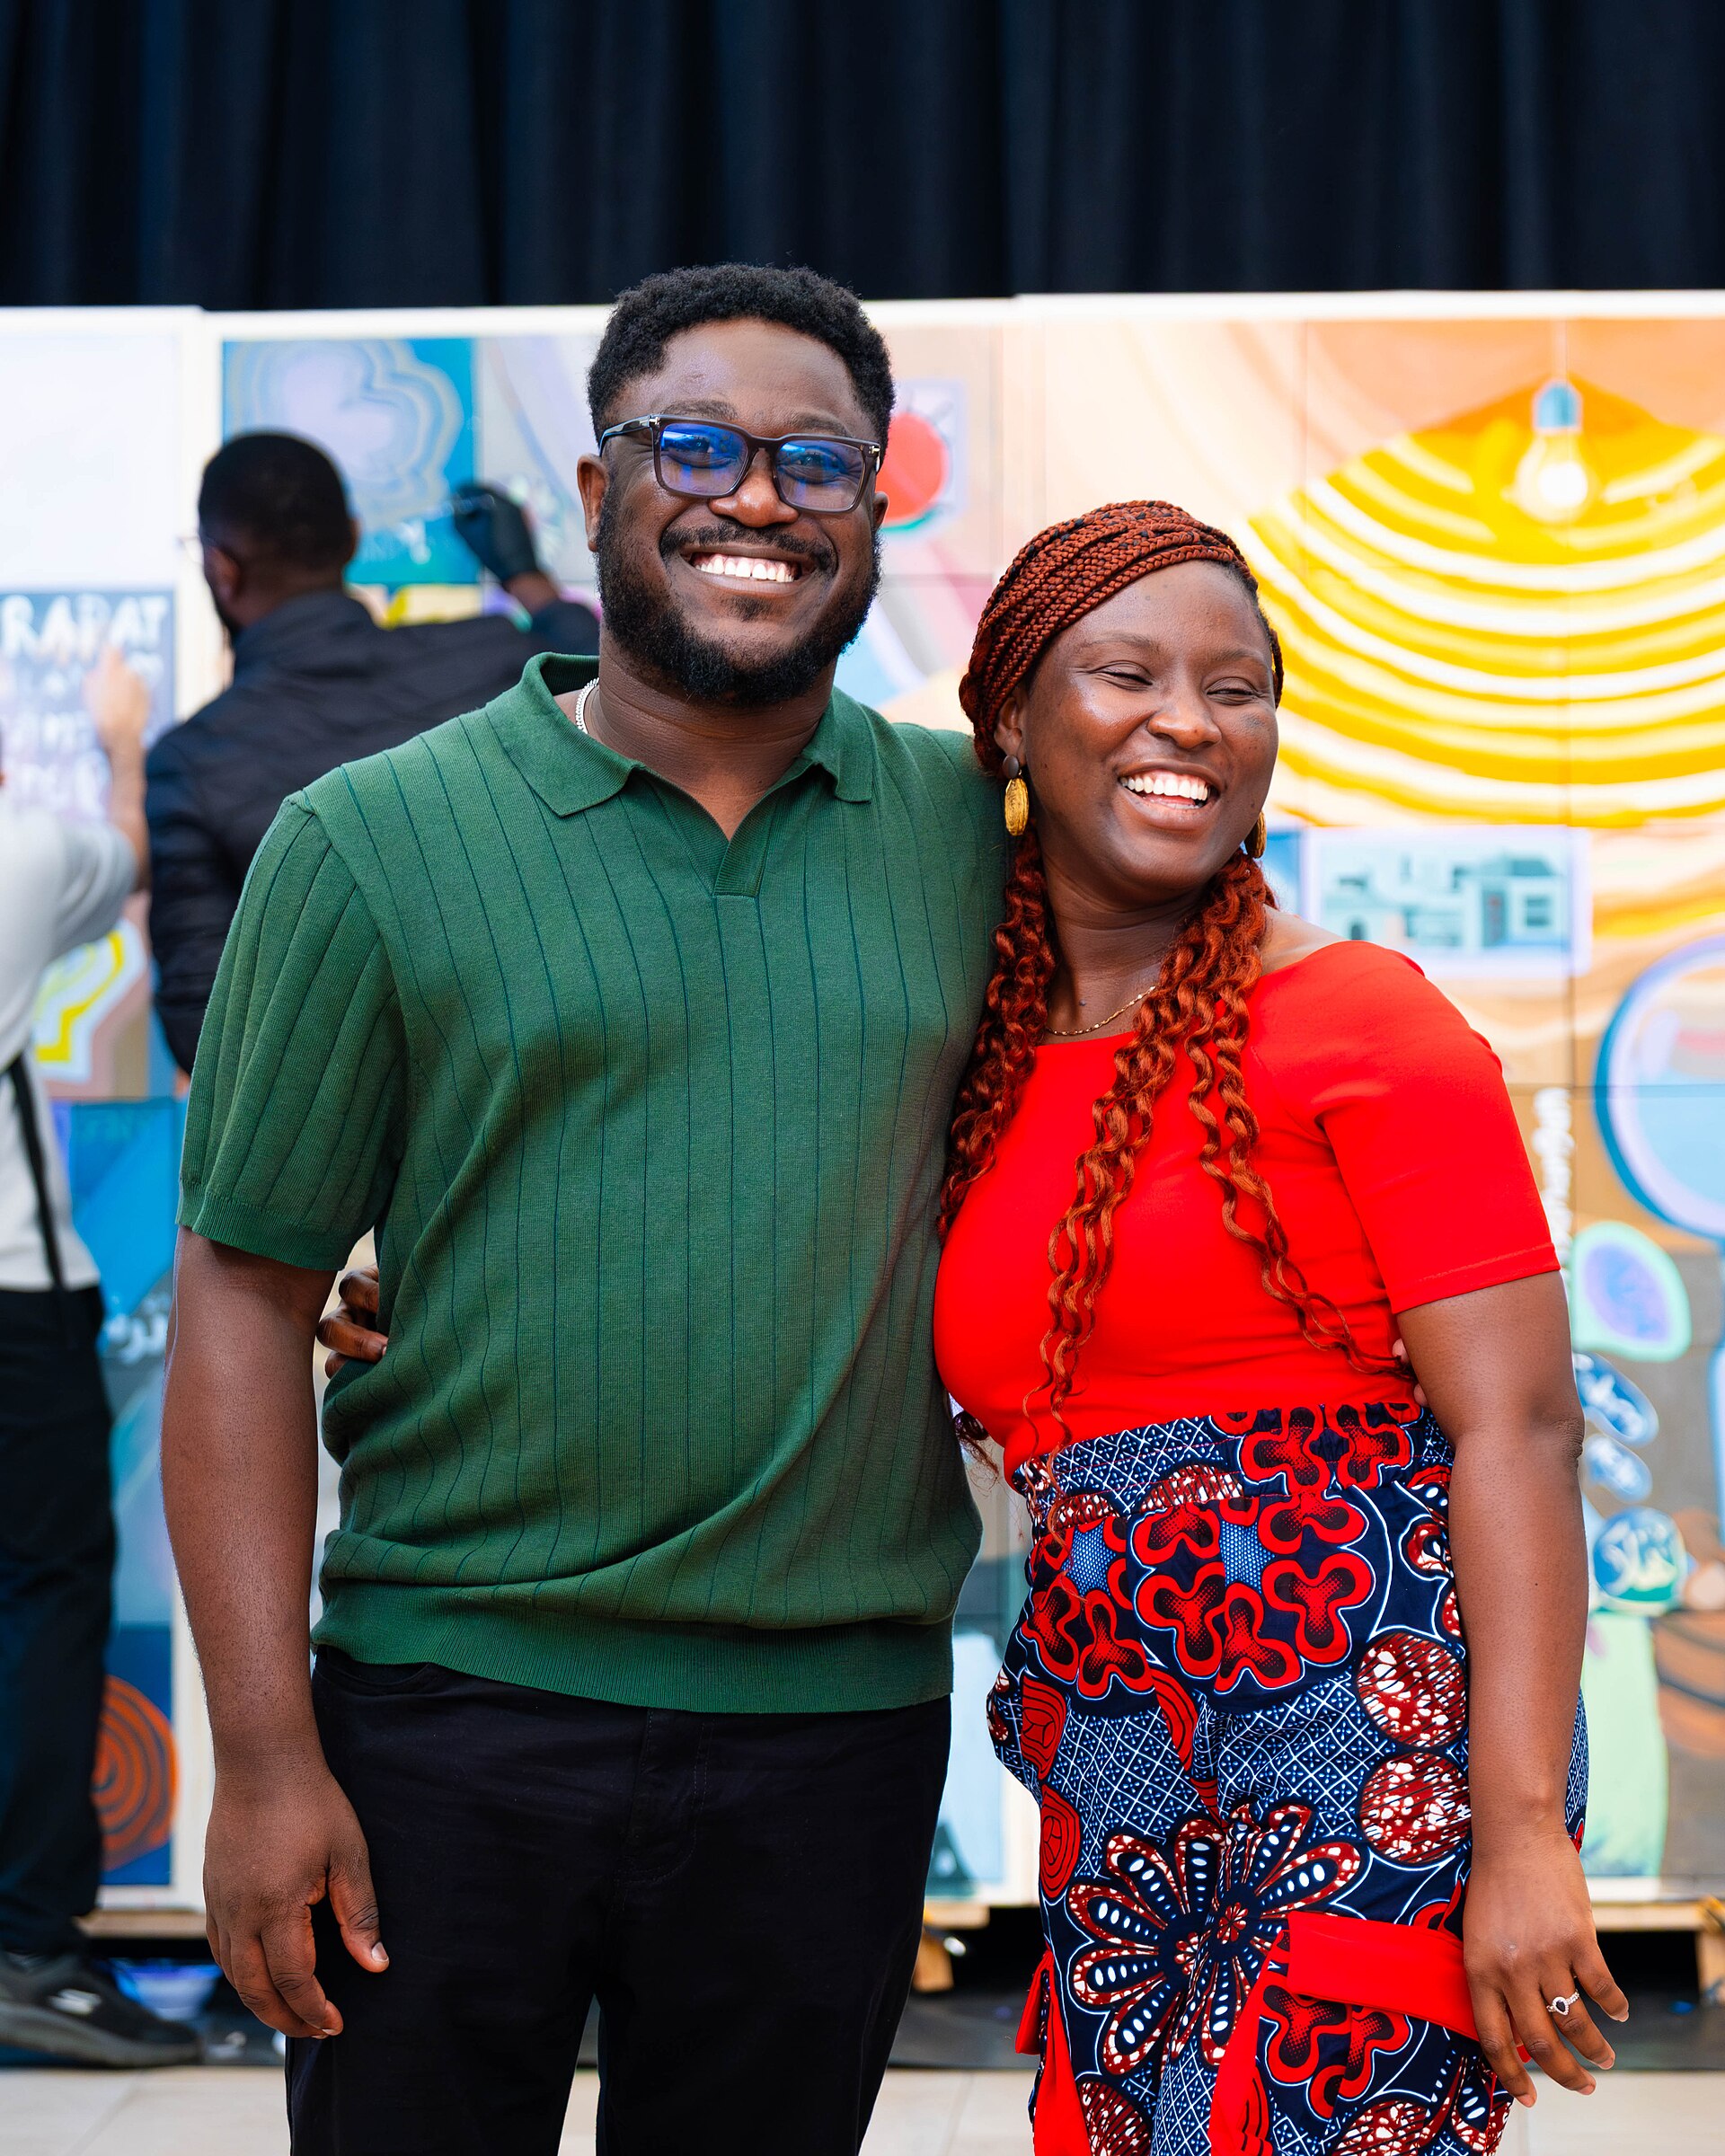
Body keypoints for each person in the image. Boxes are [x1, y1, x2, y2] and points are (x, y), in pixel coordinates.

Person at [160, 265, 1008, 2156]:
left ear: (880, 503)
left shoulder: (977, 840)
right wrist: (265, 1757)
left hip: (834, 1736)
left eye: (821, 462)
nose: (758, 500)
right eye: (693, 446)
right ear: (597, 479)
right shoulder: (369, 841)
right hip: (451, 1717)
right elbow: (239, 1298)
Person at [930, 501, 1623, 2153]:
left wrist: (1524, 1834)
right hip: (1120, 1772)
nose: (1191, 720)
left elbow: (1519, 1429)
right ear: (1015, 720)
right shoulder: (969, 1068)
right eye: (1129, 673)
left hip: (1377, 1732)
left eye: (1238, 687)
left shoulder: (1363, 1024)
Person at [145, 433, 599, 1073]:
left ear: (222, 568)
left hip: (355, 1156)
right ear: (353, 539)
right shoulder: (499, 658)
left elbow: (204, 1033)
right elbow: (610, 686)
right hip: (531, 1112)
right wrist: (528, 580)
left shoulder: (188, 764)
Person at [0, 653, 198, 2067]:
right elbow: (124, 854)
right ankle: (27, 1944)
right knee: (46, 1596)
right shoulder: (25, 854)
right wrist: (120, 742)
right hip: (12, 1299)